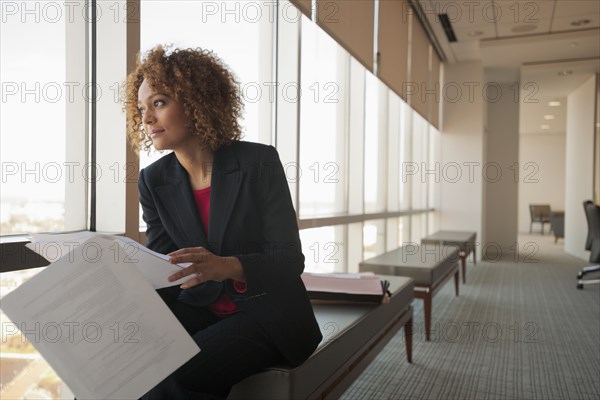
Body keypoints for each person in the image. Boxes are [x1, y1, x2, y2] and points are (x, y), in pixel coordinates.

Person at [125, 45, 322, 399]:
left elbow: (290, 258)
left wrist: (226, 266)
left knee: (179, 375)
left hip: (265, 315)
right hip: (199, 307)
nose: (146, 119)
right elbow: (165, 266)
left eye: (158, 102)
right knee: (124, 358)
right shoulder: (153, 180)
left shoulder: (257, 161)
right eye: (141, 108)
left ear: (196, 100)